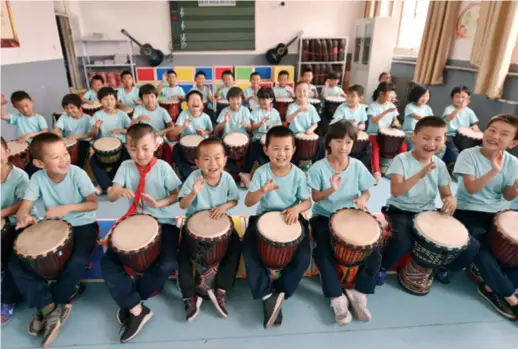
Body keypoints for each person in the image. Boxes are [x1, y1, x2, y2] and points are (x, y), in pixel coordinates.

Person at [9, 133, 98, 347]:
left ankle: (52, 304)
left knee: (76, 262)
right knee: (16, 261)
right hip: (53, 226)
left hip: (83, 225)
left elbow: (92, 203)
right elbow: (25, 207)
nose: (64, 159)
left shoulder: (77, 174)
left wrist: (67, 208)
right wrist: (25, 217)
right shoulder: (37, 178)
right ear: (40, 163)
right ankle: (50, 307)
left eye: (65, 153)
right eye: (56, 157)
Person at [102, 124, 181, 342]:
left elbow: (176, 194)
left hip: (163, 221)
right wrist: (117, 191)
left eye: (146, 148)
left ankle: (131, 300)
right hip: (134, 220)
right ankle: (137, 308)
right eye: (134, 149)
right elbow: (111, 195)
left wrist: (160, 202)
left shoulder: (164, 167)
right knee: (108, 262)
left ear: (156, 144)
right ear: (127, 148)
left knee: (168, 263)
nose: (140, 154)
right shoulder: (126, 167)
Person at [376, 117, 479, 285]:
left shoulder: (440, 165)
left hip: (427, 211)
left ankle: (444, 268)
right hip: (400, 208)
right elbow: (396, 191)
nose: (432, 143)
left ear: (444, 140)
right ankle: (382, 267)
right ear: (414, 136)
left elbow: (445, 193)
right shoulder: (401, 160)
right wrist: (420, 174)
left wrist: (450, 199)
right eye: (426, 137)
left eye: (438, 139)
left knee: (471, 245)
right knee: (403, 240)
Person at [308, 120, 378, 325]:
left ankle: (359, 292)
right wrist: (331, 190)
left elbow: (366, 190)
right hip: (324, 216)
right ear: (328, 142)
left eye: (348, 142)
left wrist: (363, 199)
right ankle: (336, 297)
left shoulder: (356, 166)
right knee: (323, 250)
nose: (343, 146)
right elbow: (316, 197)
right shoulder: (318, 168)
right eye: (338, 141)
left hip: (352, 215)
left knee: (373, 250)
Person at [243, 126, 312, 328]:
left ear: (293, 150)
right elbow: (248, 202)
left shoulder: (298, 174)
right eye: (275, 148)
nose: (281, 154)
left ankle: (281, 292)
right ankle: (266, 295)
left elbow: (307, 202)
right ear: (266, 150)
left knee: (304, 256)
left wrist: (296, 209)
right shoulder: (262, 173)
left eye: (286, 149)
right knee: (248, 251)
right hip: (264, 217)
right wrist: (262, 191)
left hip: (292, 217)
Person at [453, 114, 518, 319]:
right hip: (468, 209)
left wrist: (515, 190)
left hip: (498, 212)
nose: (495, 136)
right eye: (492, 130)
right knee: (479, 245)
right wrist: (493, 170)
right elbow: (470, 188)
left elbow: (507, 195)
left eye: (504, 134)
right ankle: (509, 295)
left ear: (513, 143)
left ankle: (491, 287)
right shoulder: (468, 155)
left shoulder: (513, 162)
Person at [178, 137, 241, 322]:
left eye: (217, 158)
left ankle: (221, 289)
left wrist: (224, 207)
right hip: (194, 227)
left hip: (221, 224)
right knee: (183, 255)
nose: (212, 163)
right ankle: (189, 296)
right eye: (206, 159)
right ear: (197, 162)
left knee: (236, 246)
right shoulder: (194, 178)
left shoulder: (227, 178)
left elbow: (235, 199)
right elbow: (182, 205)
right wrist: (193, 193)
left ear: (225, 159)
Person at [0, 136, 37, 324]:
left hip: (22, 221)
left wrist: (2, 214)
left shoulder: (19, 176)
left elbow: (23, 204)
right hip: (3, 220)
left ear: (7, 152)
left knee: (14, 259)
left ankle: (8, 300)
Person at [89, 87, 132, 194]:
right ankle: (108, 187)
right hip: (103, 146)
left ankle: (103, 184)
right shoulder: (97, 115)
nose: (109, 102)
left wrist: (121, 130)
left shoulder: (122, 114)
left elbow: (131, 130)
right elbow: (93, 134)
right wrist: (96, 127)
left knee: (123, 160)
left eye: (112, 99)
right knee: (93, 161)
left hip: (120, 144)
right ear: (100, 101)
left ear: (116, 100)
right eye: (105, 99)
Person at [239, 87, 282, 188]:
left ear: (271, 99)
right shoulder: (255, 111)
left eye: (265, 98)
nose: (263, 101)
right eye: (261, 98)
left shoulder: (275, 113)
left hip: (271, 138)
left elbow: (278, 128)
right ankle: (247, 173)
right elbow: (252, 128)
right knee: (253, 148)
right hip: (258, 137)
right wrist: (261, 123)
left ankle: (270, 175)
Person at [1, 91, 49, 177]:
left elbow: (45, 132)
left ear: (32, 102)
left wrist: (30, 134)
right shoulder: (17, 117)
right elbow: (2, 116)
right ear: (15, 107)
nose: (25, 110)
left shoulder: (39, 118)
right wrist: (3, 104)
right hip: (25, 150)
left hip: (37, 149)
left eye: (27, 105)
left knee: (33, 169)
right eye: (20, 108)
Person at [367, 82, 406, 182]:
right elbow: (373, 120)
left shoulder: (391, 105)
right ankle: (376, 172)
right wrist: (386, 111)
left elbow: (395, 119)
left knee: (403, 146)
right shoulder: (373, 106)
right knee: (375, 147)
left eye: (392, 93)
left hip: (387, 133)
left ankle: (399, 170)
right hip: (373, 133)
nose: (392, 96)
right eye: (390, 93)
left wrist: (396, 123)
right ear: (381, 93)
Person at [172, 90, 214, 180]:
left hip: (203, 144)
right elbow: (175, 132)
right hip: (185, 144)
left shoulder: (206, 117)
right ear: (187, 104)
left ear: (202, 104)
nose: (195, 102)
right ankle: (190, 176)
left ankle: (207, 172)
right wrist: (183, 126)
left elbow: (210, 131)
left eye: (198, 100)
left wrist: (204, 132)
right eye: (192, 100)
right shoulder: (183, 114)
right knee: (176, 151)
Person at [285, 81, 324, 166]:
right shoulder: (292, 106)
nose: (301, 93)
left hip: (307, 133)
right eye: (298, 91)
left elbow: (315, 123)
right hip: (293, 133)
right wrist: (298, 110)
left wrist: (311, 129)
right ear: (295, 93)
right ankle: (292, 165)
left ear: (309, 92)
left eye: (304, 91)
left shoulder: (311, 107)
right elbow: (288, 119)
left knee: (321, 142)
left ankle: (317, 164)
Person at [131, 84, 173, 162]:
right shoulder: (138, 109)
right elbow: (131, 126)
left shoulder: (162, 111)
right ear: (141, 99)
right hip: (143, 136)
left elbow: (172, 127)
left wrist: (160, 132)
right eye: (146, 97)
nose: (149, 100)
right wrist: (138, 118)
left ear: (156, 97)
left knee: (165, 149)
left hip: (159, 137)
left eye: (152, 96)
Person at [442, 86, 480, 168]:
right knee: (454, 150)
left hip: (462, 136)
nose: (460, 99)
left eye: (463, 97)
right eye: (457, 96)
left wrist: (475, 127)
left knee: (472, 150)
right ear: (452, 98)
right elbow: (449, 117)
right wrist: (459, 108)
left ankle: (467, 167)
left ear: (468, 100)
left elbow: (474, 124)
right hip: (450, 134)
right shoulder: (449, 109)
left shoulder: (469, 111)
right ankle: (456, 167)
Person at [53, 94, 93, 169]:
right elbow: (57, 129)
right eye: (66, 108)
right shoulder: (64, 116)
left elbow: (91, 134)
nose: (69, 110)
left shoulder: (88, 118)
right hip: (68, 142)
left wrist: (77, 136)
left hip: (83, 142)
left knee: (79, 158)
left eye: (72, 107)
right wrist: (57, 133)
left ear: (79, 106)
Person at [402, 84, 433, 150]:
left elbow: (432, 120)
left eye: (427, 95)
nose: (425, 98)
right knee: (416, 145)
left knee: (440, 146)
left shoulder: (428, 108)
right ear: (415, 96)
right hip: (409, 132)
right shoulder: (410, 106)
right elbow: (417, 116)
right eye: (422, 96)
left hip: (423, 133)